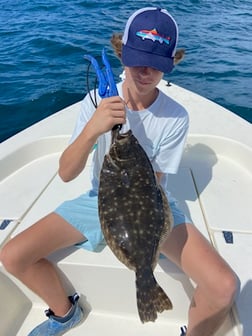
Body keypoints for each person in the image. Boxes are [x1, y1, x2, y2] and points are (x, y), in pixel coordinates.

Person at [0, 7, 239, 336]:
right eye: (138, 58)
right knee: (12, 256)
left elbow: (152, 184)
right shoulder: (96, 101)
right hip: (99, 199)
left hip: (150, 205)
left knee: (224, 286)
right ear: (121, 52)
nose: (145, 71)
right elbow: (67, 173)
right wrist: (93, 129)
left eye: (157, 64)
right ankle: (65, 313)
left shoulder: (175, 116)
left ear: (170, 63)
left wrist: (134, 230)